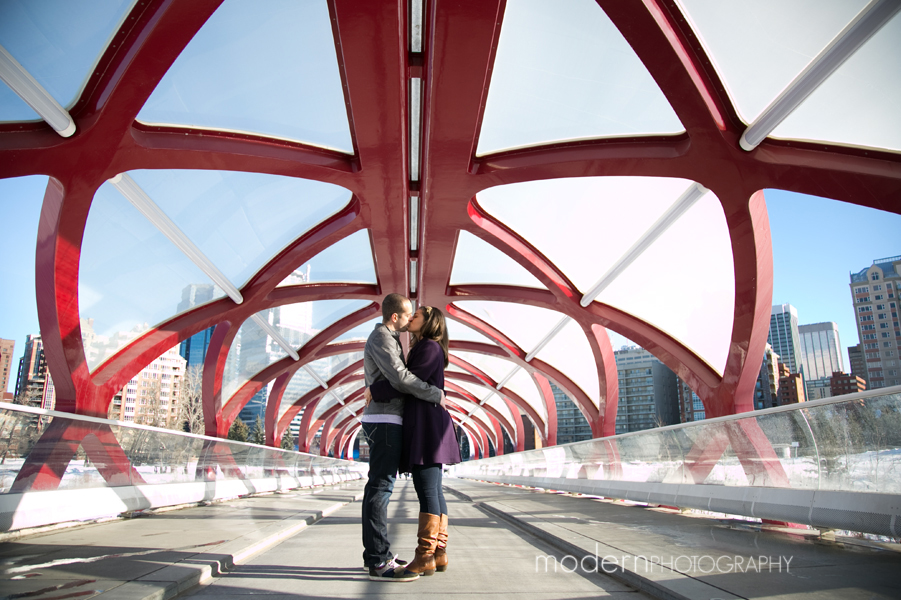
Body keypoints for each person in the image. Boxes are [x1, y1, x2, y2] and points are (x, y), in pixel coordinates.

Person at [368, 306, 461, 576]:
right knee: (434, 490)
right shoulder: (428, 348)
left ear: (430, 323)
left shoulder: (429, 348)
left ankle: (424, 557)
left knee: (428, 491)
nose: (411, 318)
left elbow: (406, 381)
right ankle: (439, 553)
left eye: (417, 315)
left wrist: (375, 389)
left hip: (427, 427)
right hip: (429, 424)